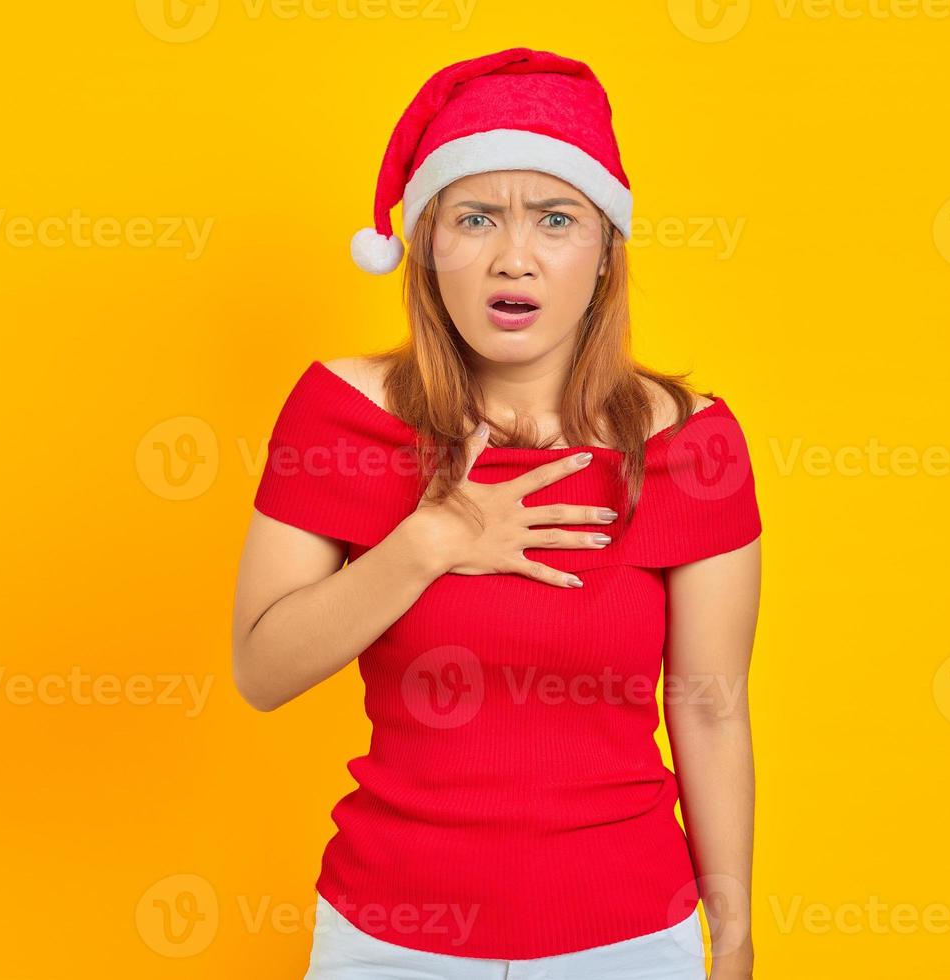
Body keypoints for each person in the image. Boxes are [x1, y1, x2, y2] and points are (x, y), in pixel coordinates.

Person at [232, 47, 762, 980]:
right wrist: (429, 542)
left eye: (555, 219)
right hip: (386, 939)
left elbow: (709, 710)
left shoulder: (694, 447)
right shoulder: (340, 417)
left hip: (630, 938)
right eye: (475, 219)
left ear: (604, 254)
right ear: (428, 246)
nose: (513, 256)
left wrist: (737, 940)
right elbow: (262, 671)